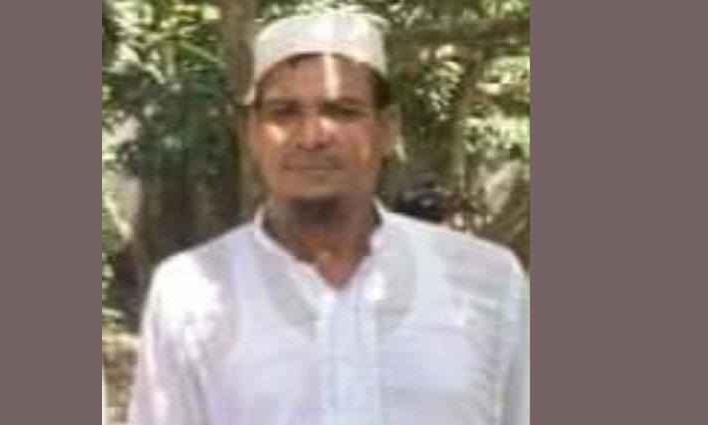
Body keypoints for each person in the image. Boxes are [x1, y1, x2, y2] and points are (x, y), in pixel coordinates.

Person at [128, 11, 529, 425]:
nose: (312, 136)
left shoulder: (488, 282)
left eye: (342, 110)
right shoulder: (189, 294)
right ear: (251, 132)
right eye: (284, 112)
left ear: (387, 128)